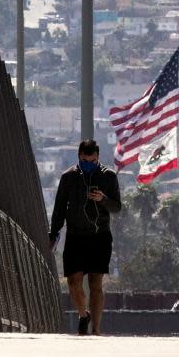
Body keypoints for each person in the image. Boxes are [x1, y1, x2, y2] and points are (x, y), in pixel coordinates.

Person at [49, 139, 122, 336]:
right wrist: (53, 233)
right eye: (84, 160)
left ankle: (96, 330)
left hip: (99, 236)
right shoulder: (68, 178)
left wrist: (103, 199)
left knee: (95, 284)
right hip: (75, 236)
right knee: (73, 282)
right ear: (79, 158)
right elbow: (59, 208)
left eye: (92, 160)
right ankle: (83, 315)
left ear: (98, 158)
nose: (88, 164)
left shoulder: (108, 177)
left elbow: (117, 207)